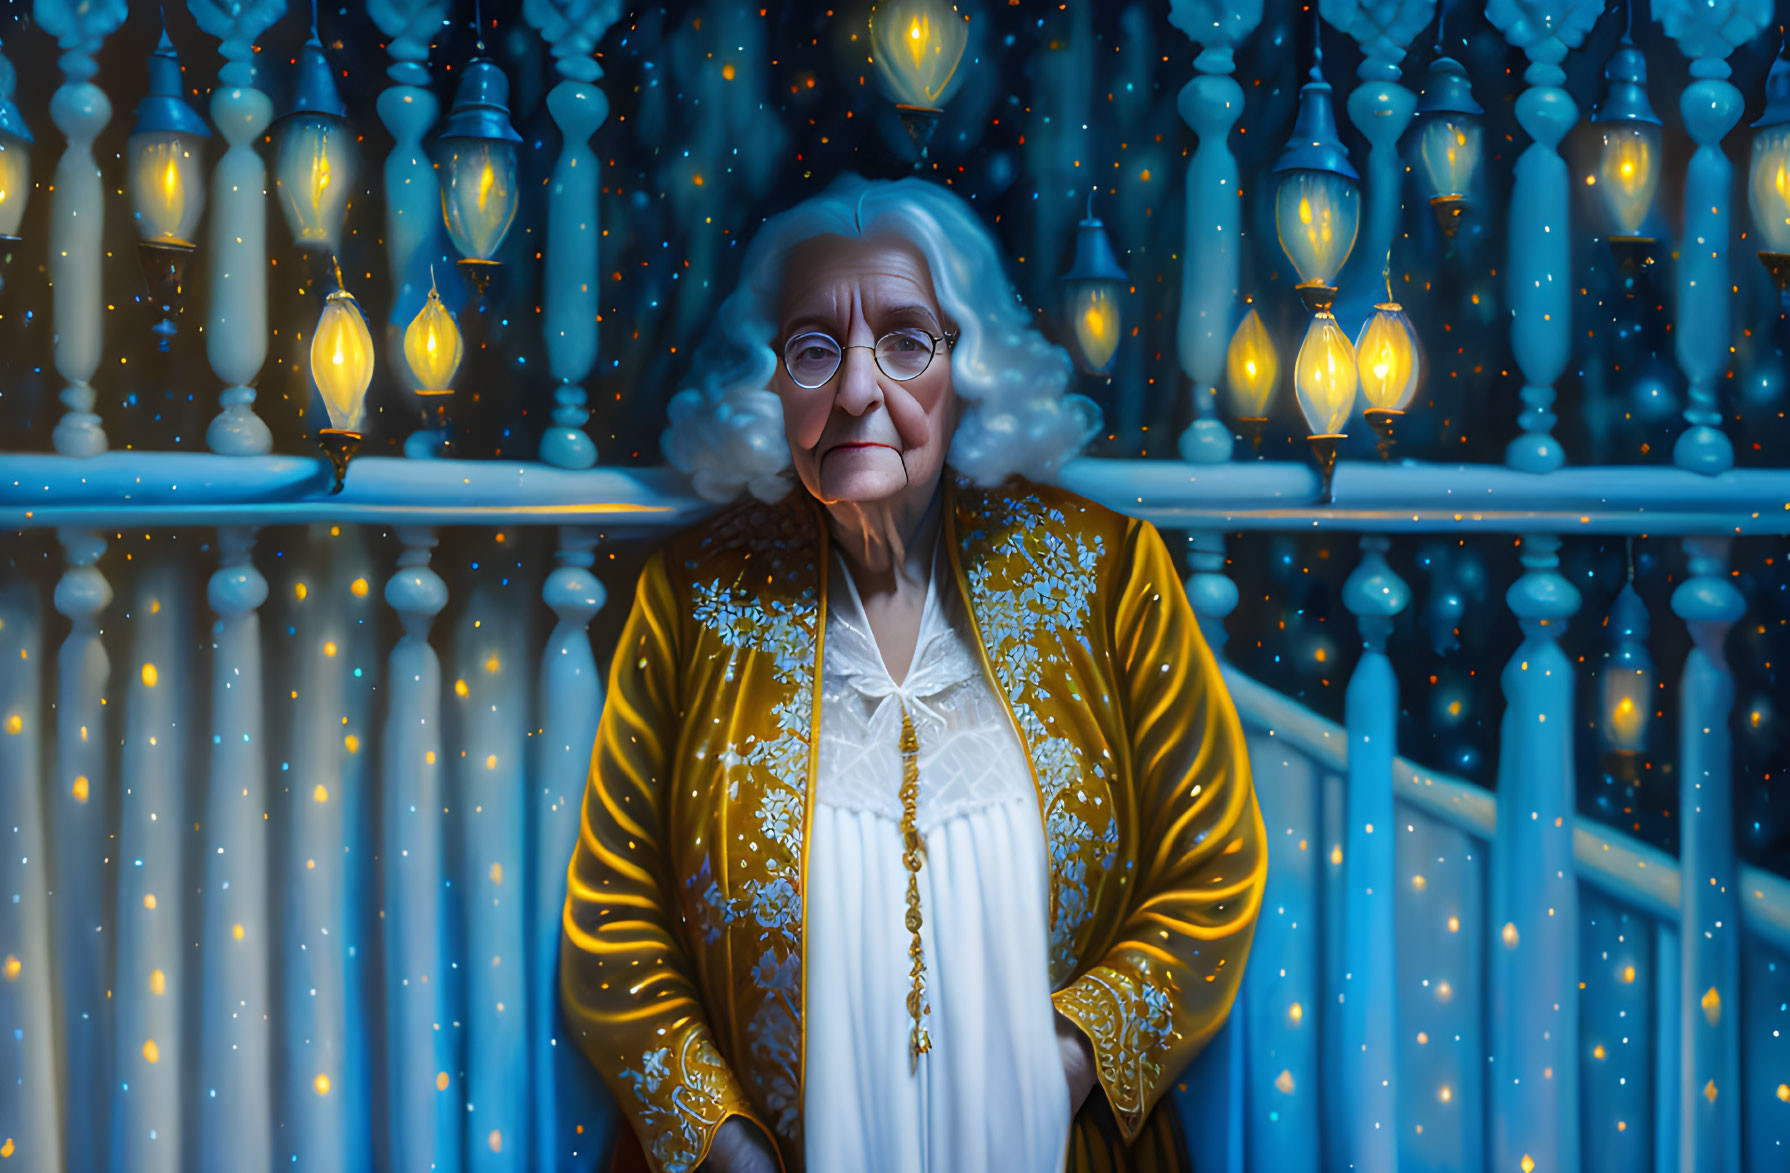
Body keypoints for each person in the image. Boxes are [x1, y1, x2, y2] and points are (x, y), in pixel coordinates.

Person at [560, 174, 1266, 1173]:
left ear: (966, 369)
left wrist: (1065, 1068)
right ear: (766, 386)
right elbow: (612, 920)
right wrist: (725, 1148)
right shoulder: (691, 599)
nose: (856, 392)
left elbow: (1211, 865)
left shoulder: (1109, 576)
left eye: (902, 343)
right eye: (813, 349)